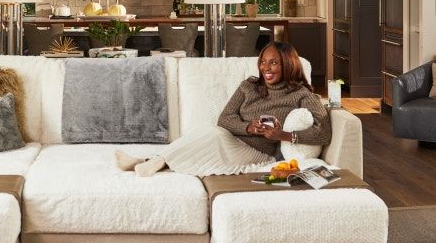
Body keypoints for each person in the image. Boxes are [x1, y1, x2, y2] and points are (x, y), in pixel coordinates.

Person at [115, 42, 332, 177]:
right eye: (263, 62)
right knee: (210, 130)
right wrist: (249, 127)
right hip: (232, 138)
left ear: (288, 64)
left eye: (274, 63)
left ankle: (148, 162)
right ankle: (152, 161)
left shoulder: (302, 95)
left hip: (256, 152)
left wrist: (282, 135)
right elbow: (225, 118)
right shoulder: (249, 85)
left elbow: (323, 132)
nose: (266, 68)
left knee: (209, 137)